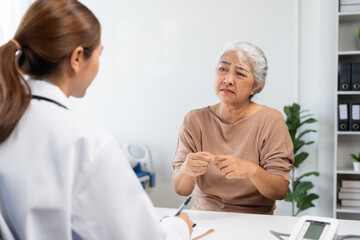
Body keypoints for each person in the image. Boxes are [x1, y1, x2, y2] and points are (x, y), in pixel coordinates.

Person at [0, 0, 193, 239]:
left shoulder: (6, 118)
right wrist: (179, 227)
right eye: (99, 54)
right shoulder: (85, 142)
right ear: (77, 57)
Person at [172, 42, 294, 215]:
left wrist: (252, 171)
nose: (228, 79)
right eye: (223, 69)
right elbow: (181, 189)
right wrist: (187, 169)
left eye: (240, 73)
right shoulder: (194, 120)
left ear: (257, 85)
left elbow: (279, 191)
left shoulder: (270, 120)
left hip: (254, 221)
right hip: (205, 219)